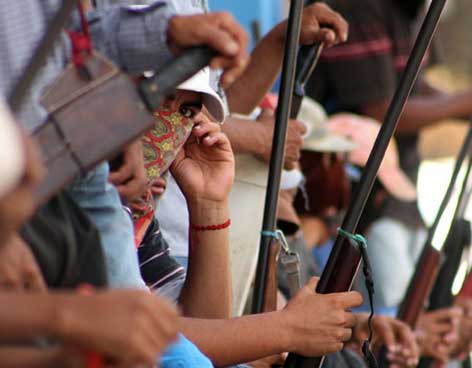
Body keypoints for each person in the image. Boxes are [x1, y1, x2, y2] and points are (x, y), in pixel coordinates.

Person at [306, 0, 472, 362]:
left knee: (427, 321)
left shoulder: (411, 11)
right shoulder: (359, 7)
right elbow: (381, 110)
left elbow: (413, 85)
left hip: (397, 188)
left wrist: (459, 105)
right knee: (389, 316)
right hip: (355, 197)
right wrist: (461, 104)